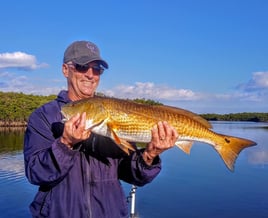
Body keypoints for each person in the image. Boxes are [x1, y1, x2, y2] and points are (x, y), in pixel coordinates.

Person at [24, 40, 179, 218]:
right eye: (82, 67)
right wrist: (65, 144)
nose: (90, 75)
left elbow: (131, 174)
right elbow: (35, 174)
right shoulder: (44, 116)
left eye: (97, 68)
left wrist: (149, 156)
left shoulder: (112, 112)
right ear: (65, 70)